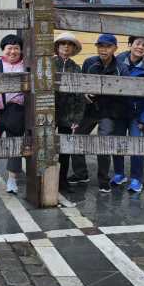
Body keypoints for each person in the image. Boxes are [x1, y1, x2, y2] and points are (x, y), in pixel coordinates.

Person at [74, 34, 128, 193]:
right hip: (89, 110)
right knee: (76, 138)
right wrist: (85, 95)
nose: (103, 49)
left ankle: (104, 180)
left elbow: (124, 93)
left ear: (115, 49)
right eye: (100, 46)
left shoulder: (121, 68)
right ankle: (81, 174)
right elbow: (81, 85)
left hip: (108, 112)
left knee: (103, 143)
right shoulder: (89, 62)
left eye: (108, 46)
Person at [112, 36, 144, 193]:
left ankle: (136, 178)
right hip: (119, 112)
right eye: (137, 43)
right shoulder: (117, 62)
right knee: (117, 143)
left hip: (137, 115)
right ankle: (119, 173)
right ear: (130, 44)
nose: (140, 47)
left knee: (137, 145)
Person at [0, 34, 26, 194]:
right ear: (3, 50)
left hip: (15, 109)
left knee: (15, 143)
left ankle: (12, 180)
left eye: (16, 48)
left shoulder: (26, 64)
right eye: (9, 48)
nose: (12, 51)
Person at [53, 33, 86, 192]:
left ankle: (62, 180)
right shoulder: (49, 64)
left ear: (73, 48)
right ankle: (46, 180)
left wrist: (76, 118)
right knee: (47, 146)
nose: (66, 46)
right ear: (57, 47)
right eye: (62, 43)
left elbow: (80, 97)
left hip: (68, 115)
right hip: (49, 113)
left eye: (69, 44)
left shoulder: (76, 68)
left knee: (64, 150)